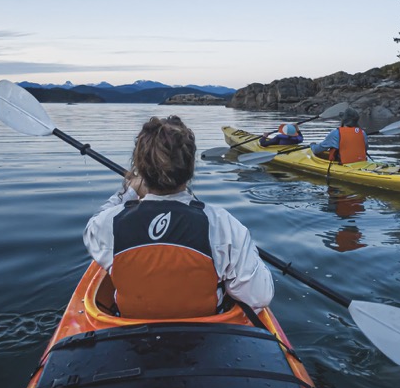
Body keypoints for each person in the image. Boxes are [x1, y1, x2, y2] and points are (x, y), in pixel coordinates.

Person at [83, 115, 275, 318]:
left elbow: (93, 228)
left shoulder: (107, 224)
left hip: (130, 333)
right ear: (190, 168)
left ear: (140, 167)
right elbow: (259, 297)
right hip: (206, 335)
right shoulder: (223, 224)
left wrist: (129, 192)